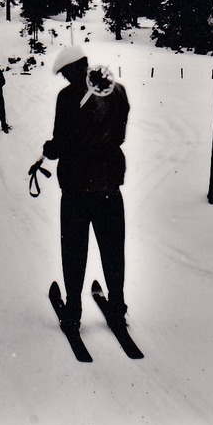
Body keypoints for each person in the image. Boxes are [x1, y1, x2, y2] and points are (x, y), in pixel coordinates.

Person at [42, 45, 130, 330]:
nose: (66, 79)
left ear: (73, 69)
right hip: (109, 185)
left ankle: (73, 310)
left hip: (77, 187)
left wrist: (50, 149)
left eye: (65, 73)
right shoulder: (118, 92)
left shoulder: (67, 97)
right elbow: (119, 134)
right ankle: (116, 306)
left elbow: (62, 141)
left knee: (74, 250)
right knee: (113, 249)